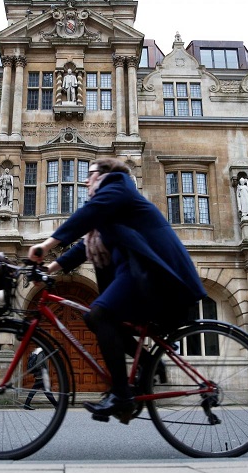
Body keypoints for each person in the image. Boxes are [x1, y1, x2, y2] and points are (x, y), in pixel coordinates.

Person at [29, 158, 206, 422]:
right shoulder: (108, 212)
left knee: (98, 315)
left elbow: (87, 215)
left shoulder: (118, 185)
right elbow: (83, 247)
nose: (86, 180)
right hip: (137, 274)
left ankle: (121, 393)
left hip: (153, 274)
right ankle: (148, 365)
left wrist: (47, 244)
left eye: (89, 174)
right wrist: (49, 269)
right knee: (108, 320)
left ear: (104, 174)